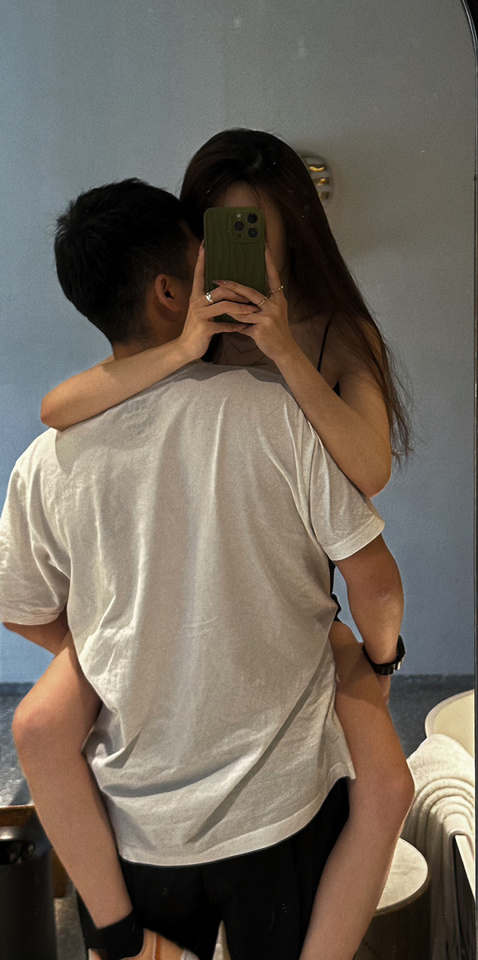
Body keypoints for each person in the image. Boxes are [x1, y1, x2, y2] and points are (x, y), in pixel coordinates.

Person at [7, 130, 413, 960]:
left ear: (296, 231)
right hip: (173, 613)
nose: (228, 256)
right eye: (216, 232)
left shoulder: (333, 334)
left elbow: (369, 471)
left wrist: (284, 350)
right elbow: (59, 409)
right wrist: (127, 644)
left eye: (253, 231)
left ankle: (132, 937)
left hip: (285, 602)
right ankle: (125, 937)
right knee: (41, 725)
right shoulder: (193, 336)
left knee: (387, 786)